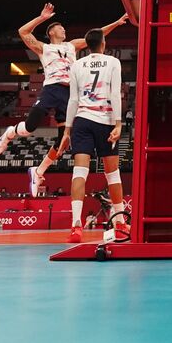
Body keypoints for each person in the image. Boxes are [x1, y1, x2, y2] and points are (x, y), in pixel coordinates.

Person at [0, 3, 129, 199]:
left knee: (63, 142)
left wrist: (116, 22)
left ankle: (38, 172)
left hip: (70, 93)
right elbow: (23, 31)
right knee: (30, 126)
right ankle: (9, 134)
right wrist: (42, 18)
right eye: (60, 27)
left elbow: (96, 36)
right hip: (51, 89)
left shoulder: (71, 45)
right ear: (51, 32)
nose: (63, 29)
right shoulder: (43, 48)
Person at [59, 29, 127, 244]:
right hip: (106, 121)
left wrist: (67, 130)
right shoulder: (113, 62)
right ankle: (120, 222)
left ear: (86, 45)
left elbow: (72, 100)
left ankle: (76, 226)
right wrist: (118, 123)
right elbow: (115, 94)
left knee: (79, 172)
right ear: (103, 43)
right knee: (112, 174)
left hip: (82, 120)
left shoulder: (77, 65)